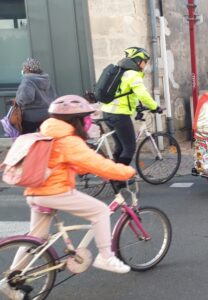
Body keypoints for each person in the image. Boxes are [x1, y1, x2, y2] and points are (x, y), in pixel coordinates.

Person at [0, 95, 136, 300]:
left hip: (35, 192)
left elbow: (73, 162)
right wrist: (126, 172)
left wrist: (86, 168)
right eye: (86, 118)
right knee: (100, 211)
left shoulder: (47, 132)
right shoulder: (68, 140)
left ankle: (11, 280)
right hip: (55, 192)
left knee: (35, 240)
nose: (88, 122)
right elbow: (97, 164)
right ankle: (106, 257)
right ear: (77, 120)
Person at [100, 47, 161, 181]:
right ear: (137, 60)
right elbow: (143, 94)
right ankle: (119, 179)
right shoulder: (132, 74)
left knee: (120, 146)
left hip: (107, 113)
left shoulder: (121, 72)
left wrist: (137, 106)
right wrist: (155, 107)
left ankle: (114, 174)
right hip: (119, 115)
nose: (145, 64)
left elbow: (127, 94)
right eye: (144, 61)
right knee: (129, 147)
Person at [14, 58, 57, 134]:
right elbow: (53, 95)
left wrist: (18, 101)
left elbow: (27, 97)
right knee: (45, 138)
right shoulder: (46, 79)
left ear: (27, 69)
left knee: (27, 140)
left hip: (30, 117)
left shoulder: (28, 80)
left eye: (24, 68)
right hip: (47, 115)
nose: (22, 70)